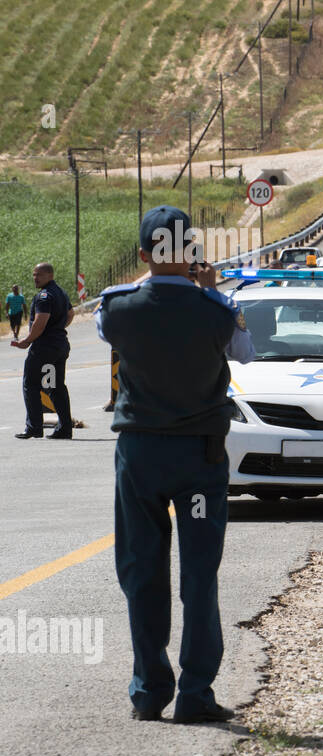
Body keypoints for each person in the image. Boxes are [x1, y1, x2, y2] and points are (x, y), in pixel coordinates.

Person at [96, 205, 255, 724]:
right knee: (199, 574)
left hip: (140, 453)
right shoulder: (216, 310)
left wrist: (160, 275)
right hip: (200, 455)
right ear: (193, 255)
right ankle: (195, 693)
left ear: (143, 255)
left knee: (141, 570)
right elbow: (247, 354)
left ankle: (148, 691)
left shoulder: (118, 308)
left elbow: (108, 324)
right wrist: (209, 290)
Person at [10, 263, 73, 439]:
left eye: (39, 275)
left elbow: (41, 320)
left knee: (30, 384)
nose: (35, 278)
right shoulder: (60, 292)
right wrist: (58, 328)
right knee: (55, 386)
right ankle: (65, 428)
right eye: (34, 275)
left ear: (49, 275)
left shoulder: (44, 296)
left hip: (44, 349)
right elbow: (71, 314)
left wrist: (27, 340)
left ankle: (34, 427)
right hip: (58, 346)